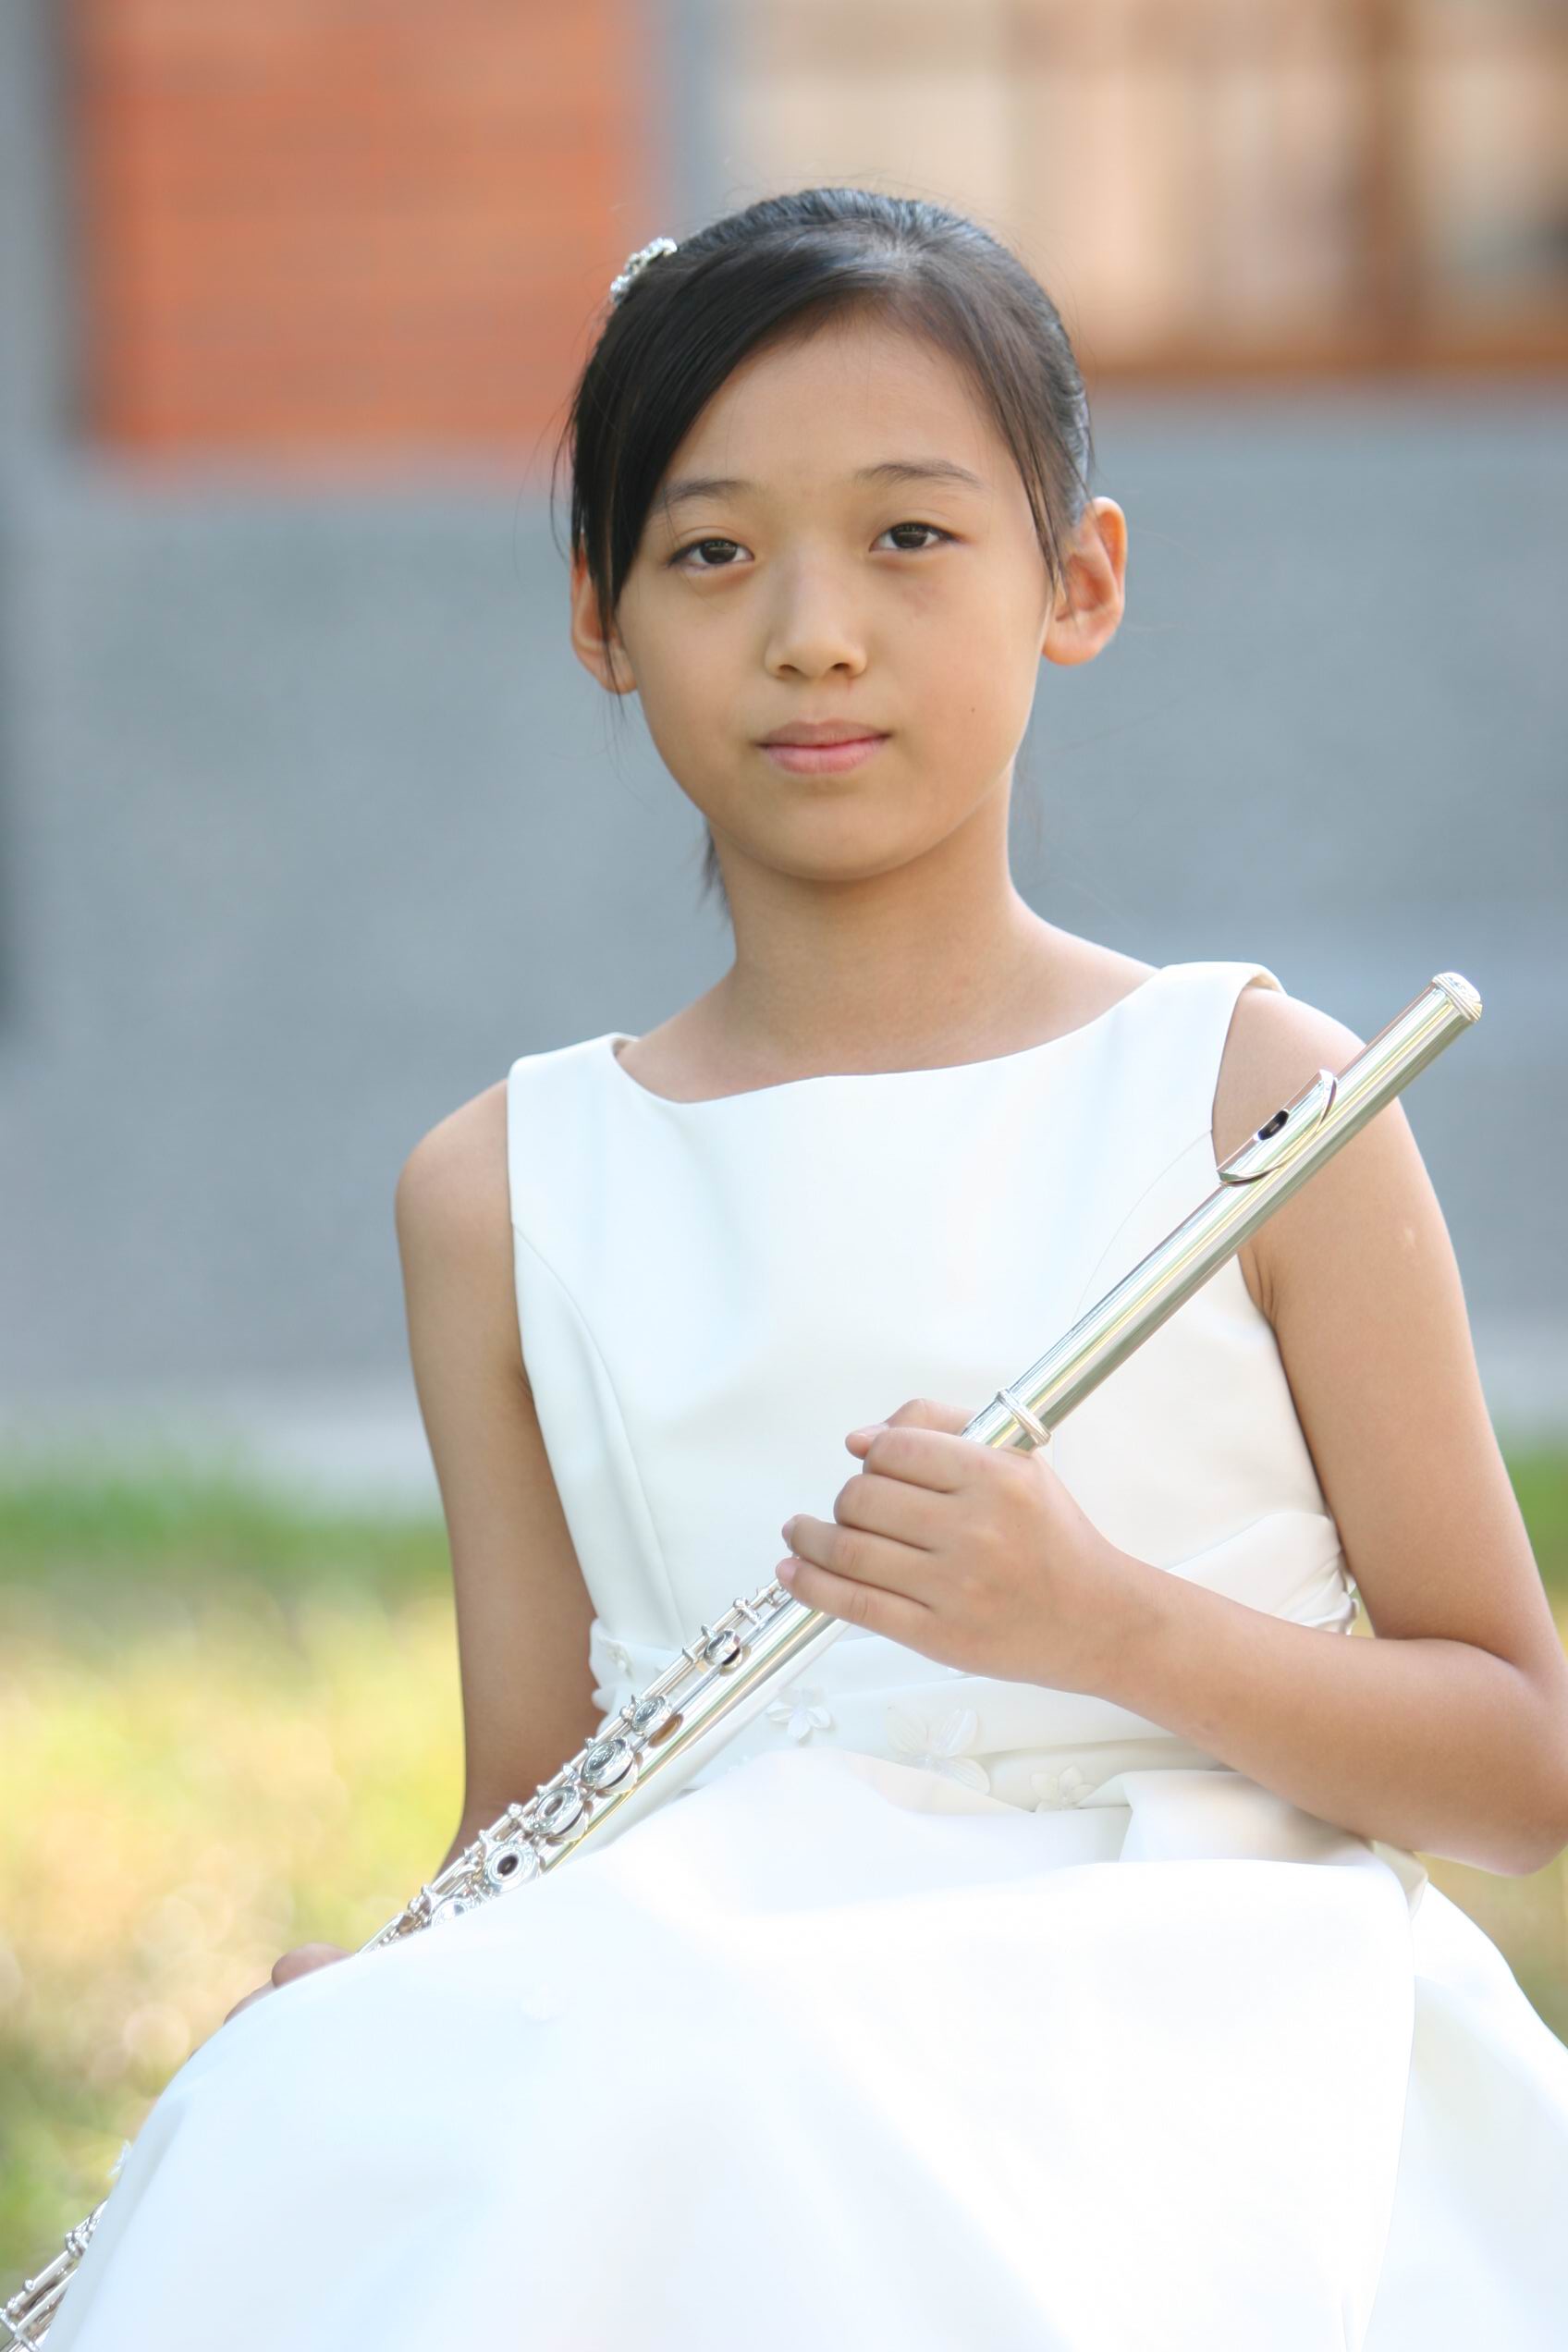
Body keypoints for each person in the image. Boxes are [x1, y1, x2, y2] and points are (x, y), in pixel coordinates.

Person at [43, 186, 1568, 2350]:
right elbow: (532, 1820)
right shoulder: (502, 1190)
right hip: (716, 2018)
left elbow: (1514, 1766)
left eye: (908, 537)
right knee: (331, 2117)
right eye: (710, 555)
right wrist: (390, 2011)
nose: (813, 634)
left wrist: (1097, 1618)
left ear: (1078, 581)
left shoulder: (1250, 1096)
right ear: (598, 618)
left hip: (1197, 2030)